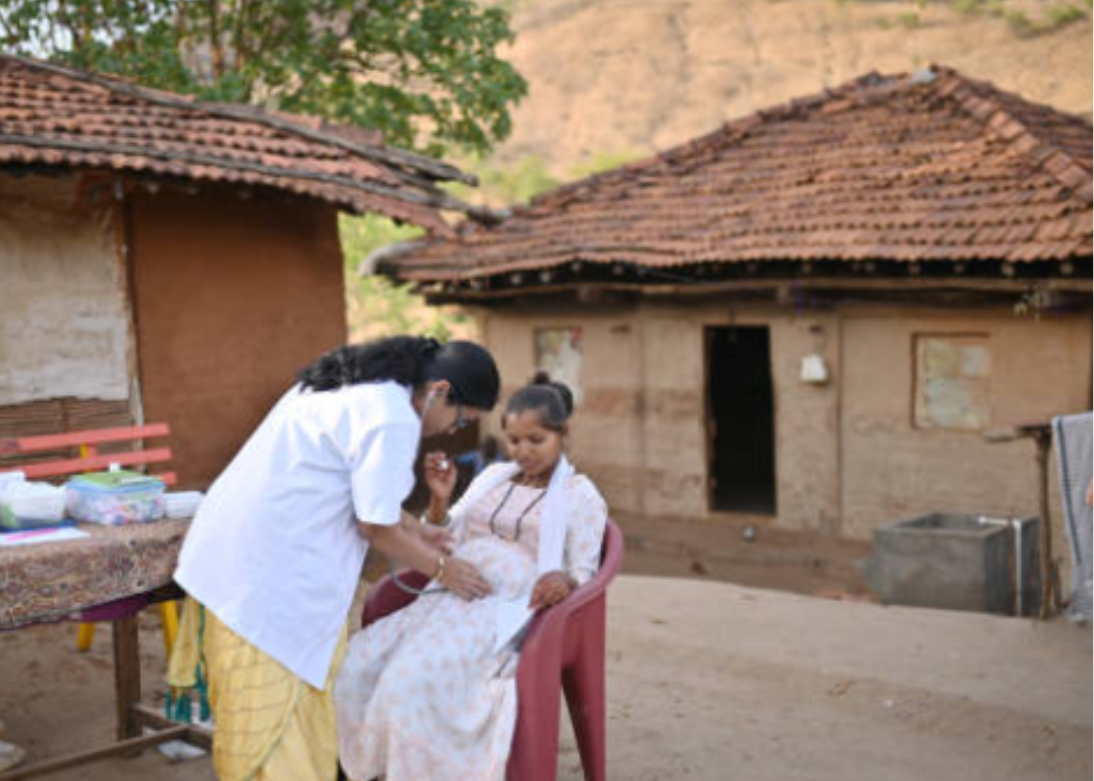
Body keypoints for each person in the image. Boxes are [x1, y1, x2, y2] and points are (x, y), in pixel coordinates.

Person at [167, 336, 500, 781]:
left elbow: (361, 494)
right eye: (461, 418)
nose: (452, 430)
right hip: (263, 583)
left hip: (239, 561)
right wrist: (445, 570)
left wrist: (417, 530)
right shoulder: (391, 418)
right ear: (439, 390)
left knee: (297, 722)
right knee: (276, 734)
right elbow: (374, 527)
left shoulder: (357, 388)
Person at [335, 373, 608, 781]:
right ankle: (361, 769)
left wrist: (561, 584)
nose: (524, 451)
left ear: (563, 434)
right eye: (514, 441)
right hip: (446, 599)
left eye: (536, 440)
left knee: (405, 682)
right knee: (356, 663)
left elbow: (583, 573)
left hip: (504, 612)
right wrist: (440, 499)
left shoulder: (580, 495)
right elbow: (445, 541)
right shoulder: (490, 480)